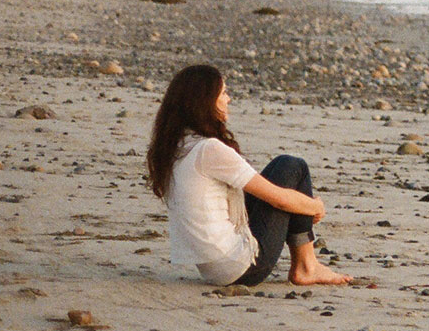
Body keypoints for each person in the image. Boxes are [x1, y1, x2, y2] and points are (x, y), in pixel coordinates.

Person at [145, 64, 351, 286]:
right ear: (205, 102)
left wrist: (304, 207)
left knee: (278, 172)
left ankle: (306, 263)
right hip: (242, 268)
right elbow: (279, 200)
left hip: (212, 268)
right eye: (223, 93)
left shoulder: (177, 146)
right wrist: (314, 207)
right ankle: (307, 266)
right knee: (291, 166)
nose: (228, 99)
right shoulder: (209, 149)